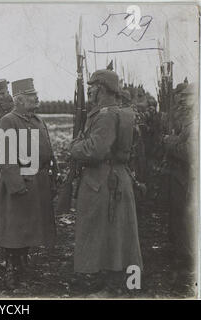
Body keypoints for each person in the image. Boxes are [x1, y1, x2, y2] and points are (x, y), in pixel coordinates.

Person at [69, 69, 143, 295]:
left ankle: (114, 286)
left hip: (104, 181)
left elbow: (95, 150)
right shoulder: (118, 111)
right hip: (114, 178)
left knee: (109, 231)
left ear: (100, 89)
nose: (89, 91)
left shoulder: (105, 115)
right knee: (113, 231)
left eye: (92, 87)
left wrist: (75, 147)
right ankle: (112, 279)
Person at [0, 78, 56, 286]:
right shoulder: (8, 121)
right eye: (31, 95)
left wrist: (52, 175)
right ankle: (12, 269)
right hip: (20, 183)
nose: (36, 97)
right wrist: (16, 185)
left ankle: (23, 263)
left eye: (35, 93)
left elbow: (48, 149)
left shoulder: (37, 120)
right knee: (14, 228)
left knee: (29, 226)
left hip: (38, 182)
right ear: (19, 100)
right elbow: (5, 157)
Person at [163, 83, 197, 286]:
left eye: (187, 96)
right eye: (181, 96)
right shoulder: (186, 118)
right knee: (178, 213)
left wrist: (170, 142)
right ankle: (181, 252)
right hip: (180, 174)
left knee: (185, 216)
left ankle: (186, 258)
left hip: (187, 175)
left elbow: (189, 152)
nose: (182, 99)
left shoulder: (194, 121)